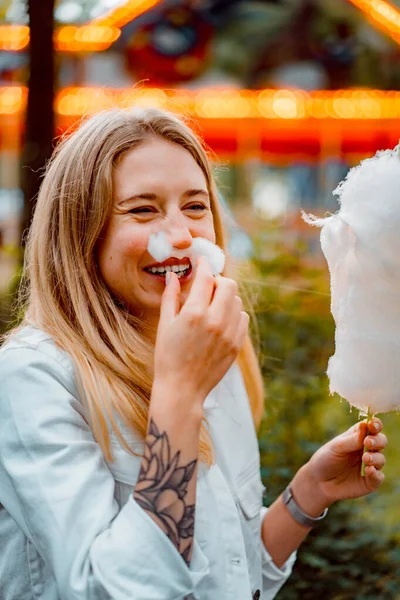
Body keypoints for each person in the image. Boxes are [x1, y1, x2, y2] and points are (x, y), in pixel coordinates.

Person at [0, 107, 387, 600]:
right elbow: (109, 590)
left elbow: (237, 575)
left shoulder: (215, 354)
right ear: (81, 233)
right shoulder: (35, 377)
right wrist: (179, 394)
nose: (181, 235)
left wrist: (309, 492)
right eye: (143, 209)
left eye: (196, 206)